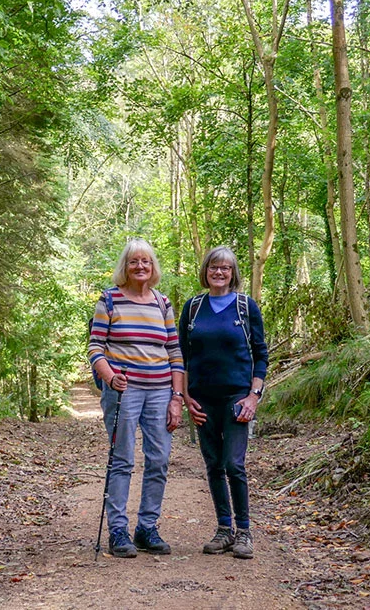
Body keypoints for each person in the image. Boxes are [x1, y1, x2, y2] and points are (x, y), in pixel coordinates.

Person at [87, 237, 185, 558]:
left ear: (153, 267)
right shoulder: (109, 300)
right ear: (125, 267)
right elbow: (95, 348)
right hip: (123, 391)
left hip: (160, 391)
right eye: (134, 262)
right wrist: (109, 376)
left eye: (146, 261)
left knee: (159, 459)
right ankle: (118, 530)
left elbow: (174, 352)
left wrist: (177, 397)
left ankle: (147, 528)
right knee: (123, 459)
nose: (140, 266)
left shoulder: (163, 303)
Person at [180, 246, 267, 559]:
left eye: (225, 268)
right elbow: (182, 358)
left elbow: (260, 354)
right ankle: (224, 530)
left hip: (237, 398)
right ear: (205, 271)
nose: (219, 272)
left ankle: (244, 532)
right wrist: (186, 397)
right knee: (214, 465)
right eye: (214, 267)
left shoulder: (246, 307)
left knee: (234, 464)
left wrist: (254, 396)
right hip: (202, 399)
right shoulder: (192, 308)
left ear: (233, 273)